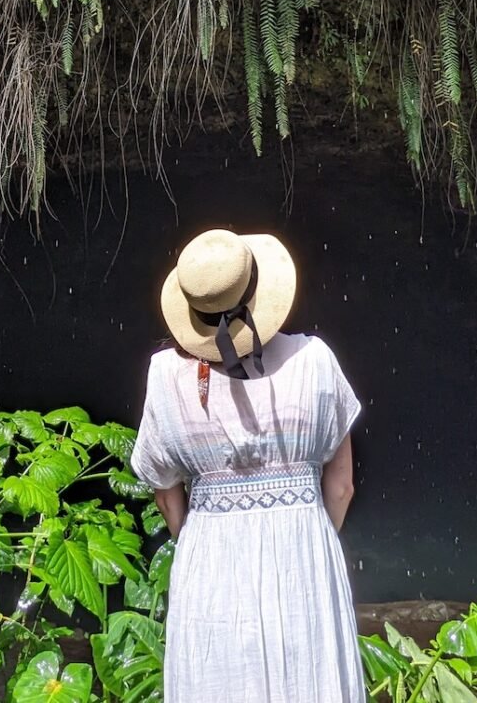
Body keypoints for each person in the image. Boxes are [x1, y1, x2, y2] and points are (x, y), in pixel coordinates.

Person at [131, 228, 366, 703]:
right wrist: (303, 533)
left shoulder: (164, 378)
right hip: (303, 559)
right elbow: (341, 488)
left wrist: (202, 538)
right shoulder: (314, 361)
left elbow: (164, 489)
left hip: (210, 562)